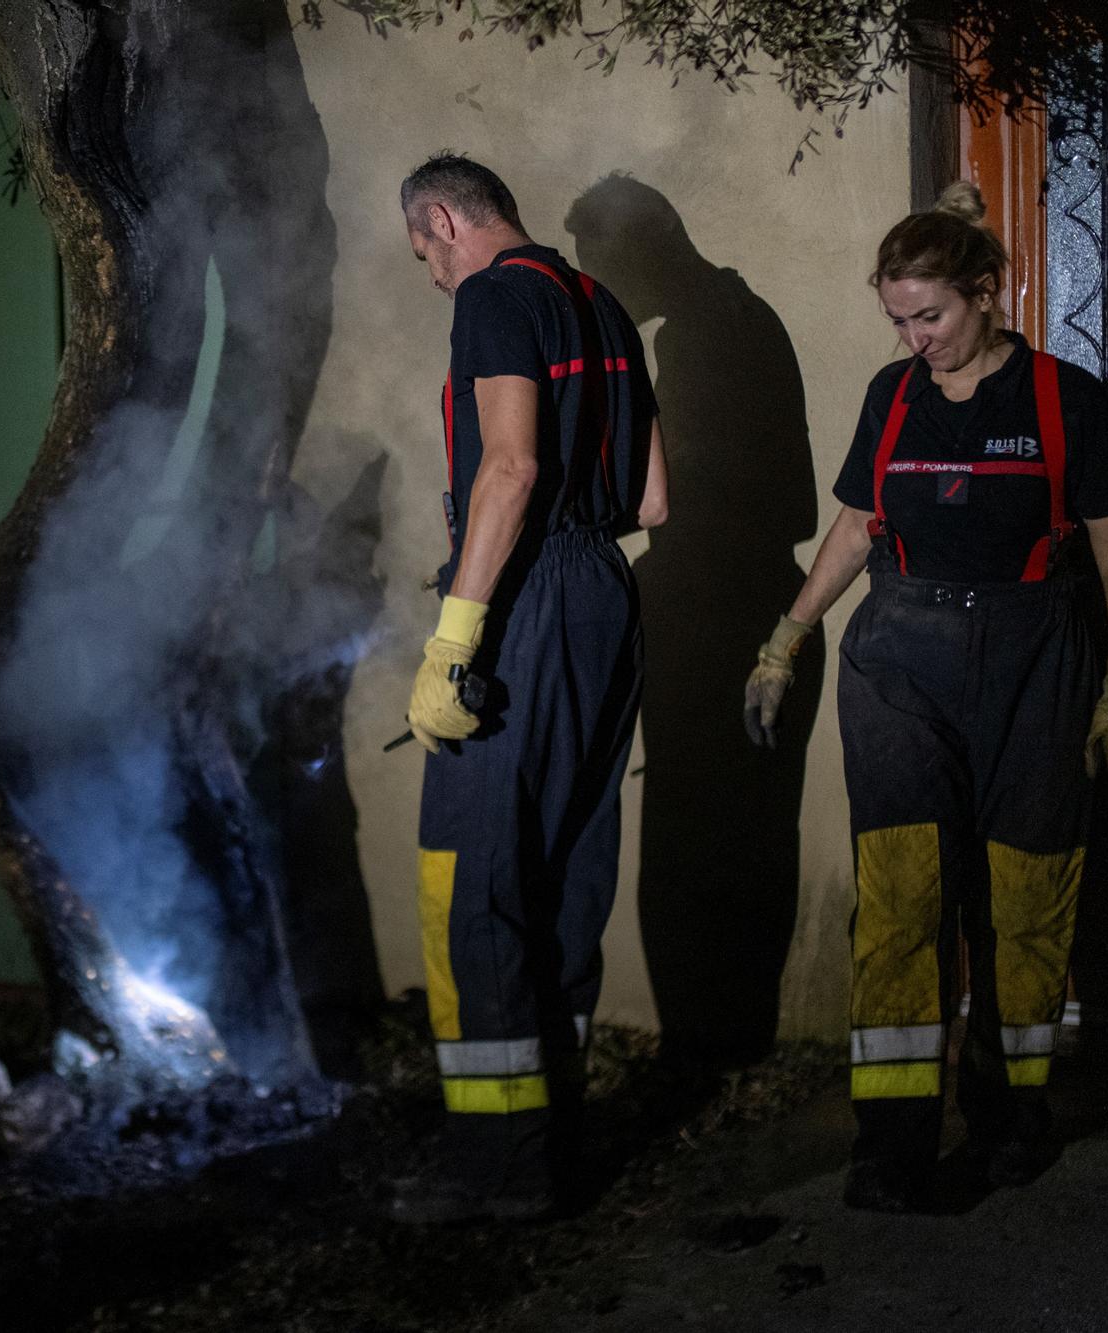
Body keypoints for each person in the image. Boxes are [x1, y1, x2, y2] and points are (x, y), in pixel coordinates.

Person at [744, 182, 1108, 1213]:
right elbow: (853, 525)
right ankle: (890, 1141)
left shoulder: (1065, 400)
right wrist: (788, 634)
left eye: (930, 315)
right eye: (897, 320)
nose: (913, 338)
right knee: (902, 898)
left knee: (1022, 898)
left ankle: (1012, 1115)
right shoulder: (891, 399)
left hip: (1033, 653)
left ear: (986, 291)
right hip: (899, 657)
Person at [393, 152, 669, 1223]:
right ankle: (554, 1139)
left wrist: (454, 637)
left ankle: (498, 1165)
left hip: (528, 603)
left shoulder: (494, 298)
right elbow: (650, 498)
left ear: (446, 220)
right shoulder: (600, 307)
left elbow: (506, 470)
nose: (430, 275)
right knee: (563, 875)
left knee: (470, 879)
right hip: (605, 592)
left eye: (424, 253)